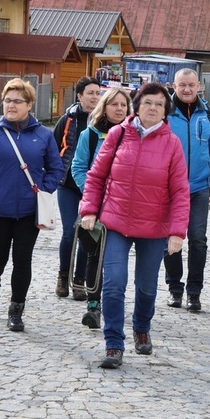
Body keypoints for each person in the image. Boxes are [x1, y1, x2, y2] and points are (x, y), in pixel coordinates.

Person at [79, 82, 190, 369]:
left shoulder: (172, 143)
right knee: (114, 284)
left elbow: (180, 191)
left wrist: (178, 231)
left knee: (146, 288)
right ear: (137, 106)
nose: (152, 108)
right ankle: (114, 343)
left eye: (159, 105)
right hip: (115, 222)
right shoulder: (117, 135)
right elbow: (95, 176)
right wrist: (90, 210)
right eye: (147, 103)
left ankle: (142, 327)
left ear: (166, 112)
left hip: (154, 227)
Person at [0, 78, 63, 331]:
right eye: (7, 100)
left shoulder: (43, 135)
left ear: (29, 104)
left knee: (22, 261)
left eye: (17, 101)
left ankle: (16, 309)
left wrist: (44, 190)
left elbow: (56, 168)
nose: (10, 105)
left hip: (29, 212)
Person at [71, 87, 131, 329]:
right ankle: (93, 306)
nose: (119, 109)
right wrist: (95, 195)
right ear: (104, 107)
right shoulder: (91, 135)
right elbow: (78, 168)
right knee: (94, 254)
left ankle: (115, 303)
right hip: (96, 205)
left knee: (116, 259)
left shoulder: (134, 136)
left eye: (123, 105)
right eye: (114, 104)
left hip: (124, 206)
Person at [163, 68, 210, 311]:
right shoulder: (165, 112)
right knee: (171, 237)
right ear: (174, 86)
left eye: (191, 85)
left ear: (199, 86)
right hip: (169, 188)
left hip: (198, 187)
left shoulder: (208, 113)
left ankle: (194, 292)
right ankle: (175, 289)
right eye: (182, 85)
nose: (187, 89)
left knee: (198, 239)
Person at [53, 77, 101, 300]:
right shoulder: (68, 120)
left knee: (87, 233)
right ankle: (63, 275)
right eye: (90, 93)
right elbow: (53, 149)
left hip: (93, 188)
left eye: (97, 93)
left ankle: (79, 280)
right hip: (68, 186)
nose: (94, 97)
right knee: (70, 232)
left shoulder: (103, 122)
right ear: (79, 96)